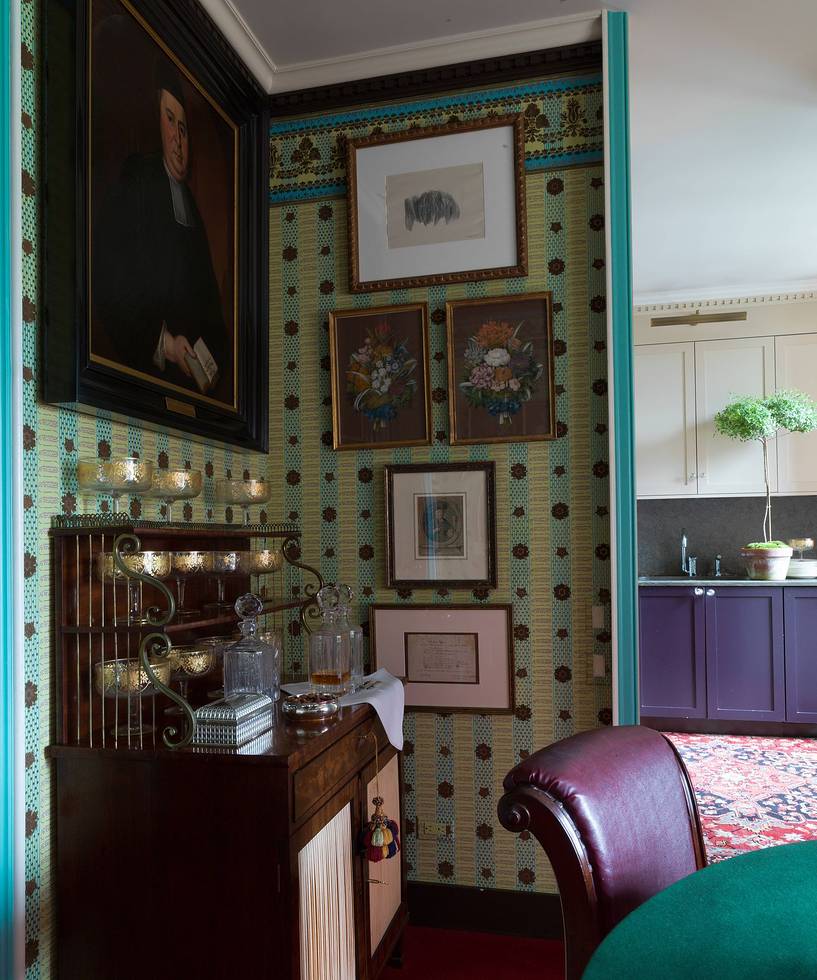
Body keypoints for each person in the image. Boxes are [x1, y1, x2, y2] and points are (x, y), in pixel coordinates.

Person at [93, 59, 229, 399]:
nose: (179, 139)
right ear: (154, 122)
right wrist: (165, 343)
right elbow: (114, 277)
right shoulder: (137, 178)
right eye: (170, 120)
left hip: (189, 374)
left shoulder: (189, 203)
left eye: (184, 128)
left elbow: (206, 296)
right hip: (151, 359)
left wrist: (211, 358)